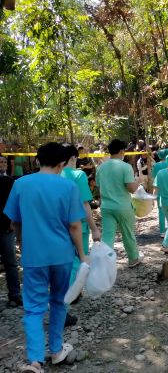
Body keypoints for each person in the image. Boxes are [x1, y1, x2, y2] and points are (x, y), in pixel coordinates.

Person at [4, 142, 88, 372]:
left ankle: (35, 361)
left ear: (37, 160)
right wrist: (82, 255)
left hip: (33, 256)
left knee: (33, 308)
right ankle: (57, 350)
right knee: (59, 302)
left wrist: (22, 243)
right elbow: (74, 226)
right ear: (62, 164)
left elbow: (15, 222)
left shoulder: (20, 184)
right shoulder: (68, 187)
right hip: (62, 255)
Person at [96, 139, 142, 267]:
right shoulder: (125, 167)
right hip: (123, 206)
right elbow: (131, 188)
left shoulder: (101, 167)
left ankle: (104, 263)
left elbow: (99, 187)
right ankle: (133, 259)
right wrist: (138, 180)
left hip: (106, 206)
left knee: (107, 235)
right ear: (122, 151)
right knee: (127, 233)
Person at [61, 144, 101, 283]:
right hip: (79, 225)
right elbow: (85, 204)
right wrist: (94, 229)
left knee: (64, 259)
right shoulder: (78, 174)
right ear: (73, 158)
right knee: (79, 257)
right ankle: (71, 292)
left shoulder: (54, 175)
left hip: (58, 224)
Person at [0, 155, 22, 307]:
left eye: (4, 161)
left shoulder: (10, 181)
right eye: (0, 162)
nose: (3, 164)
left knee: (11, 263)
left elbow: (15, 203)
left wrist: (12, 223)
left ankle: (14, 294)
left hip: (6, 227)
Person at [152, 149, 168, 237]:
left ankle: (162, 231)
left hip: (159, 189)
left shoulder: (156, 165)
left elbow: (153, 177)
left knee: (161, 211)